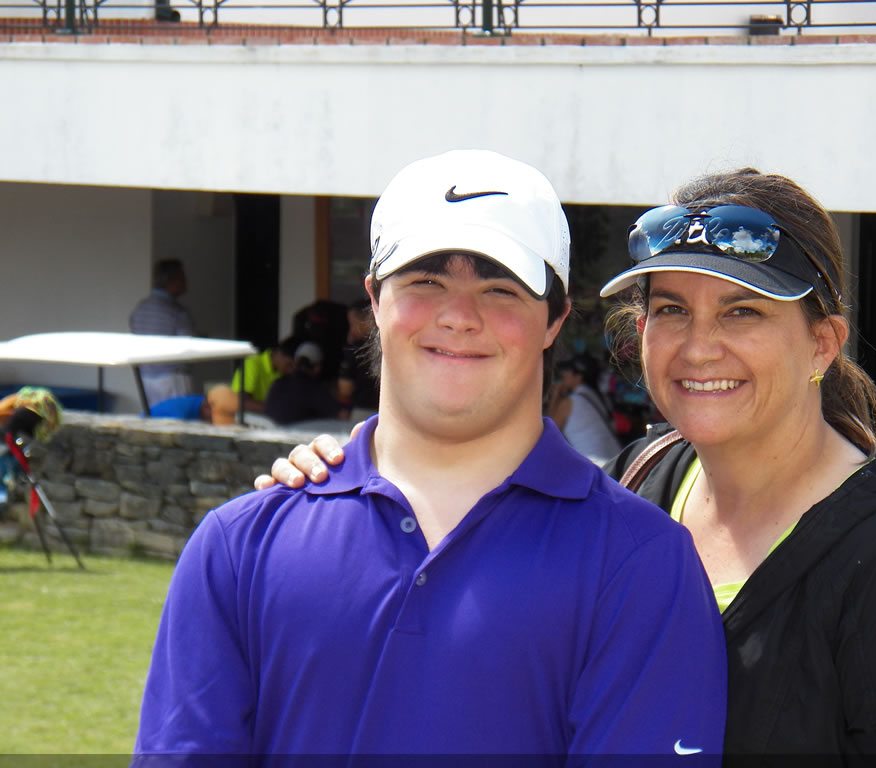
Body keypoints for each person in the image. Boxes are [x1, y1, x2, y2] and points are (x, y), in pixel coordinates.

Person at [262, 168, 876, 756]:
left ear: (822, 343)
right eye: (672, 309)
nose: (699, 347)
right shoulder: (641, 481)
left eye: (743, 311)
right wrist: (341, 483)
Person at [135, 149, 727, 760]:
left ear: (555, 319)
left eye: (500, 289)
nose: (459, 316)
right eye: (426, 282)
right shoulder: (239, 548)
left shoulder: (642, 563)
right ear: (374, 299)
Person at [129, 258, 195, 406]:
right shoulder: (177, 312)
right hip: (173, 378)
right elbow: (188, 345)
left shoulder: (140, 309)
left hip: (146, 377)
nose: (186, 282)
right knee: (178, 417)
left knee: (153, 416)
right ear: (172, 281)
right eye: (182, 278)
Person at [548, 353, 621, 464]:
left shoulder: (572, 401)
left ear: (578, 376)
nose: (564, 374)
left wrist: (555, 395)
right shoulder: (596, 395)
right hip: (616, 458)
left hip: (598, 465)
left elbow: (548, 432)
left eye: (568, 371)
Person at [263, 341, 345, 426]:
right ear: (317, 367)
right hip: (297, 434)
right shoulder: (314, 389)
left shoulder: (277, 384)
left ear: (295, 362)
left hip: (271, 432)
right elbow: (342, 416)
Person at [230, 336, 299, 414]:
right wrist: (277, 410)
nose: (292, 371)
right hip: (249, 419)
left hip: (272, 418)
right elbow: (242, 402)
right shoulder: (252, 364)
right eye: (289, 365)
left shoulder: (283, 372)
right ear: (279, 353)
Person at [336, 299, 380, 421]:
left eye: (352, 324)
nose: (351, 330)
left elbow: (345, 388)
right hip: (389, 411)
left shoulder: (355, 349)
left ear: (366, 320)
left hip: (363, 411)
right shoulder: (389, 345)